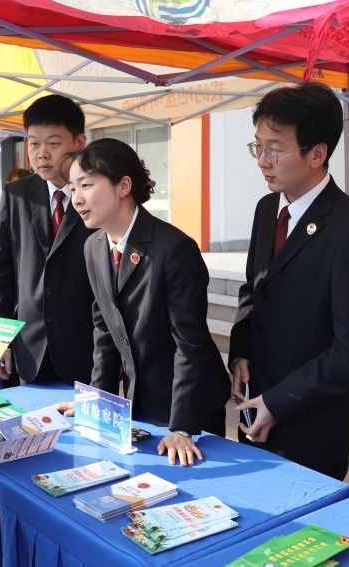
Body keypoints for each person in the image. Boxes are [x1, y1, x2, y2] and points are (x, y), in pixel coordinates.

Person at [230, 82, 349, 481]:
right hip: (257, 408)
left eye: (275, 149)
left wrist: (279, 402)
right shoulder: (267, 208)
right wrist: (239, 354)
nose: (262, 161)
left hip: (312, 427)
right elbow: (254, 289)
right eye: (257, 147)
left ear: (317, 153)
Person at [59, 138, 230, 466]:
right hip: (138, 401)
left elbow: (189, 345)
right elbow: (104, 331)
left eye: (86, 185)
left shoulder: (175, 249)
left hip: (190, 407)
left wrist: (182, 427)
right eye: (71, 189)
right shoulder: (93, 245)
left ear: (124, 186)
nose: (76, 198)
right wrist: (97, 404)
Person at [0, 94, 96, 385]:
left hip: (88, 349)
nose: (42, 153)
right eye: (34, 143)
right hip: (28, 348)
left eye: (54, 143)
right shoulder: (16, 194)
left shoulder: (97, 194)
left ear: (79, 142)